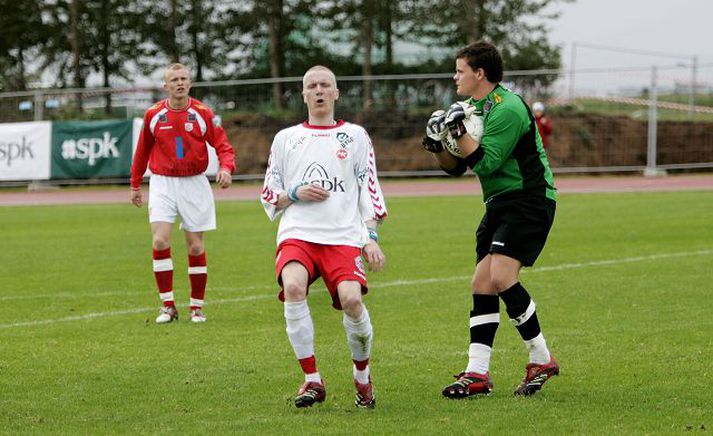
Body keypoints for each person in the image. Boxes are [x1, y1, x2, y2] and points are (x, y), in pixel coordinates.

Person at [422, 41, 559, 398]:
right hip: (499, 203)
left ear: (479, 73)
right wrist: (438, 145)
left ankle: (540, 358)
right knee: (481, 283)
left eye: (460, 70)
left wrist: (459, 132)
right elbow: (456, 169)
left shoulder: (508, 108)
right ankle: (477, 373)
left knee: (500, 276)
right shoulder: (471, 108)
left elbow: (484, 162)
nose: (455, 77)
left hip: (529, 199)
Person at [260, 65, 387, 409]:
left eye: (325, 85)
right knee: (294, 288)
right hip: (298, 234)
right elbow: (269, 194)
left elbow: (368, 188)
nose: (318, 90)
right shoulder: (286, 139)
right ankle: (312, 380)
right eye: (312, 86)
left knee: (352, 301)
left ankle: (362, 377)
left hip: (343, 237)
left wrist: (370, 236)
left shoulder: (356, 136)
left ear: (336, 93)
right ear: (303, 95)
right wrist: (296, 192)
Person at [130, 63, 235, 324]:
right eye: (174, 79)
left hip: (194, 183)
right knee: (160, 241)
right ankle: (168, 306)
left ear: (190, 83)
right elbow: (142, 151)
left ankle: (196, 308)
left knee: (196, 245)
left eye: (184, 79)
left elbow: (223, 145)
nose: (179, 83)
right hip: (162, 183)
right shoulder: (154, 114)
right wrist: (135, 184)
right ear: (165, 86)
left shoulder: (202, 113)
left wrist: (226, 168)